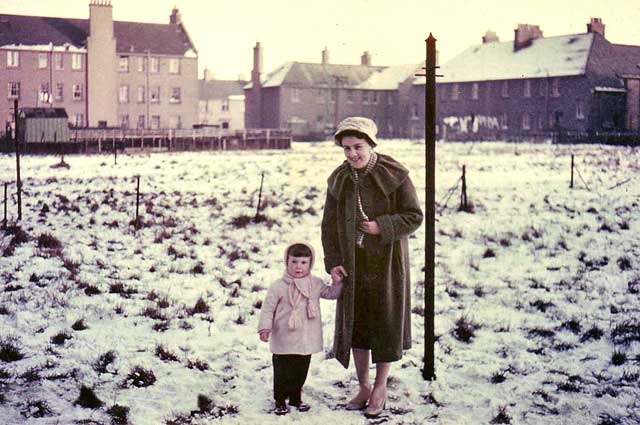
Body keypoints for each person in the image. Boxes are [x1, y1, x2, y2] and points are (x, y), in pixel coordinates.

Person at [321, 117, 423, 418]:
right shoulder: (339, 179)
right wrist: (334, 262)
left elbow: (414, 216)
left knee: (384, 323)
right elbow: (328, 225)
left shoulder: (394, 173)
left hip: (386, 263)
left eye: (358, 147)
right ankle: (363, 385)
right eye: (347, 148)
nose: (352, 154)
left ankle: (380, 386)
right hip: (354, 264)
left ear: (371, 144)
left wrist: (381, 226)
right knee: (358, 323)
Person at [257, 242, 343, 415]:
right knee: (282, 370)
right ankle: (280, 400)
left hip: (305, 338)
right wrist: (265, 327)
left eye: (304, 262)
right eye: (294, 262)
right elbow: (268, 309)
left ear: (310, 263)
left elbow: (332, 294)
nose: (298, 266)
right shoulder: (278, 286)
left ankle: (296, 397)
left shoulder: (315, 284)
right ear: (286, 262)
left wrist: (336, 283)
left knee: (300, 370)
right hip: (284, 337)